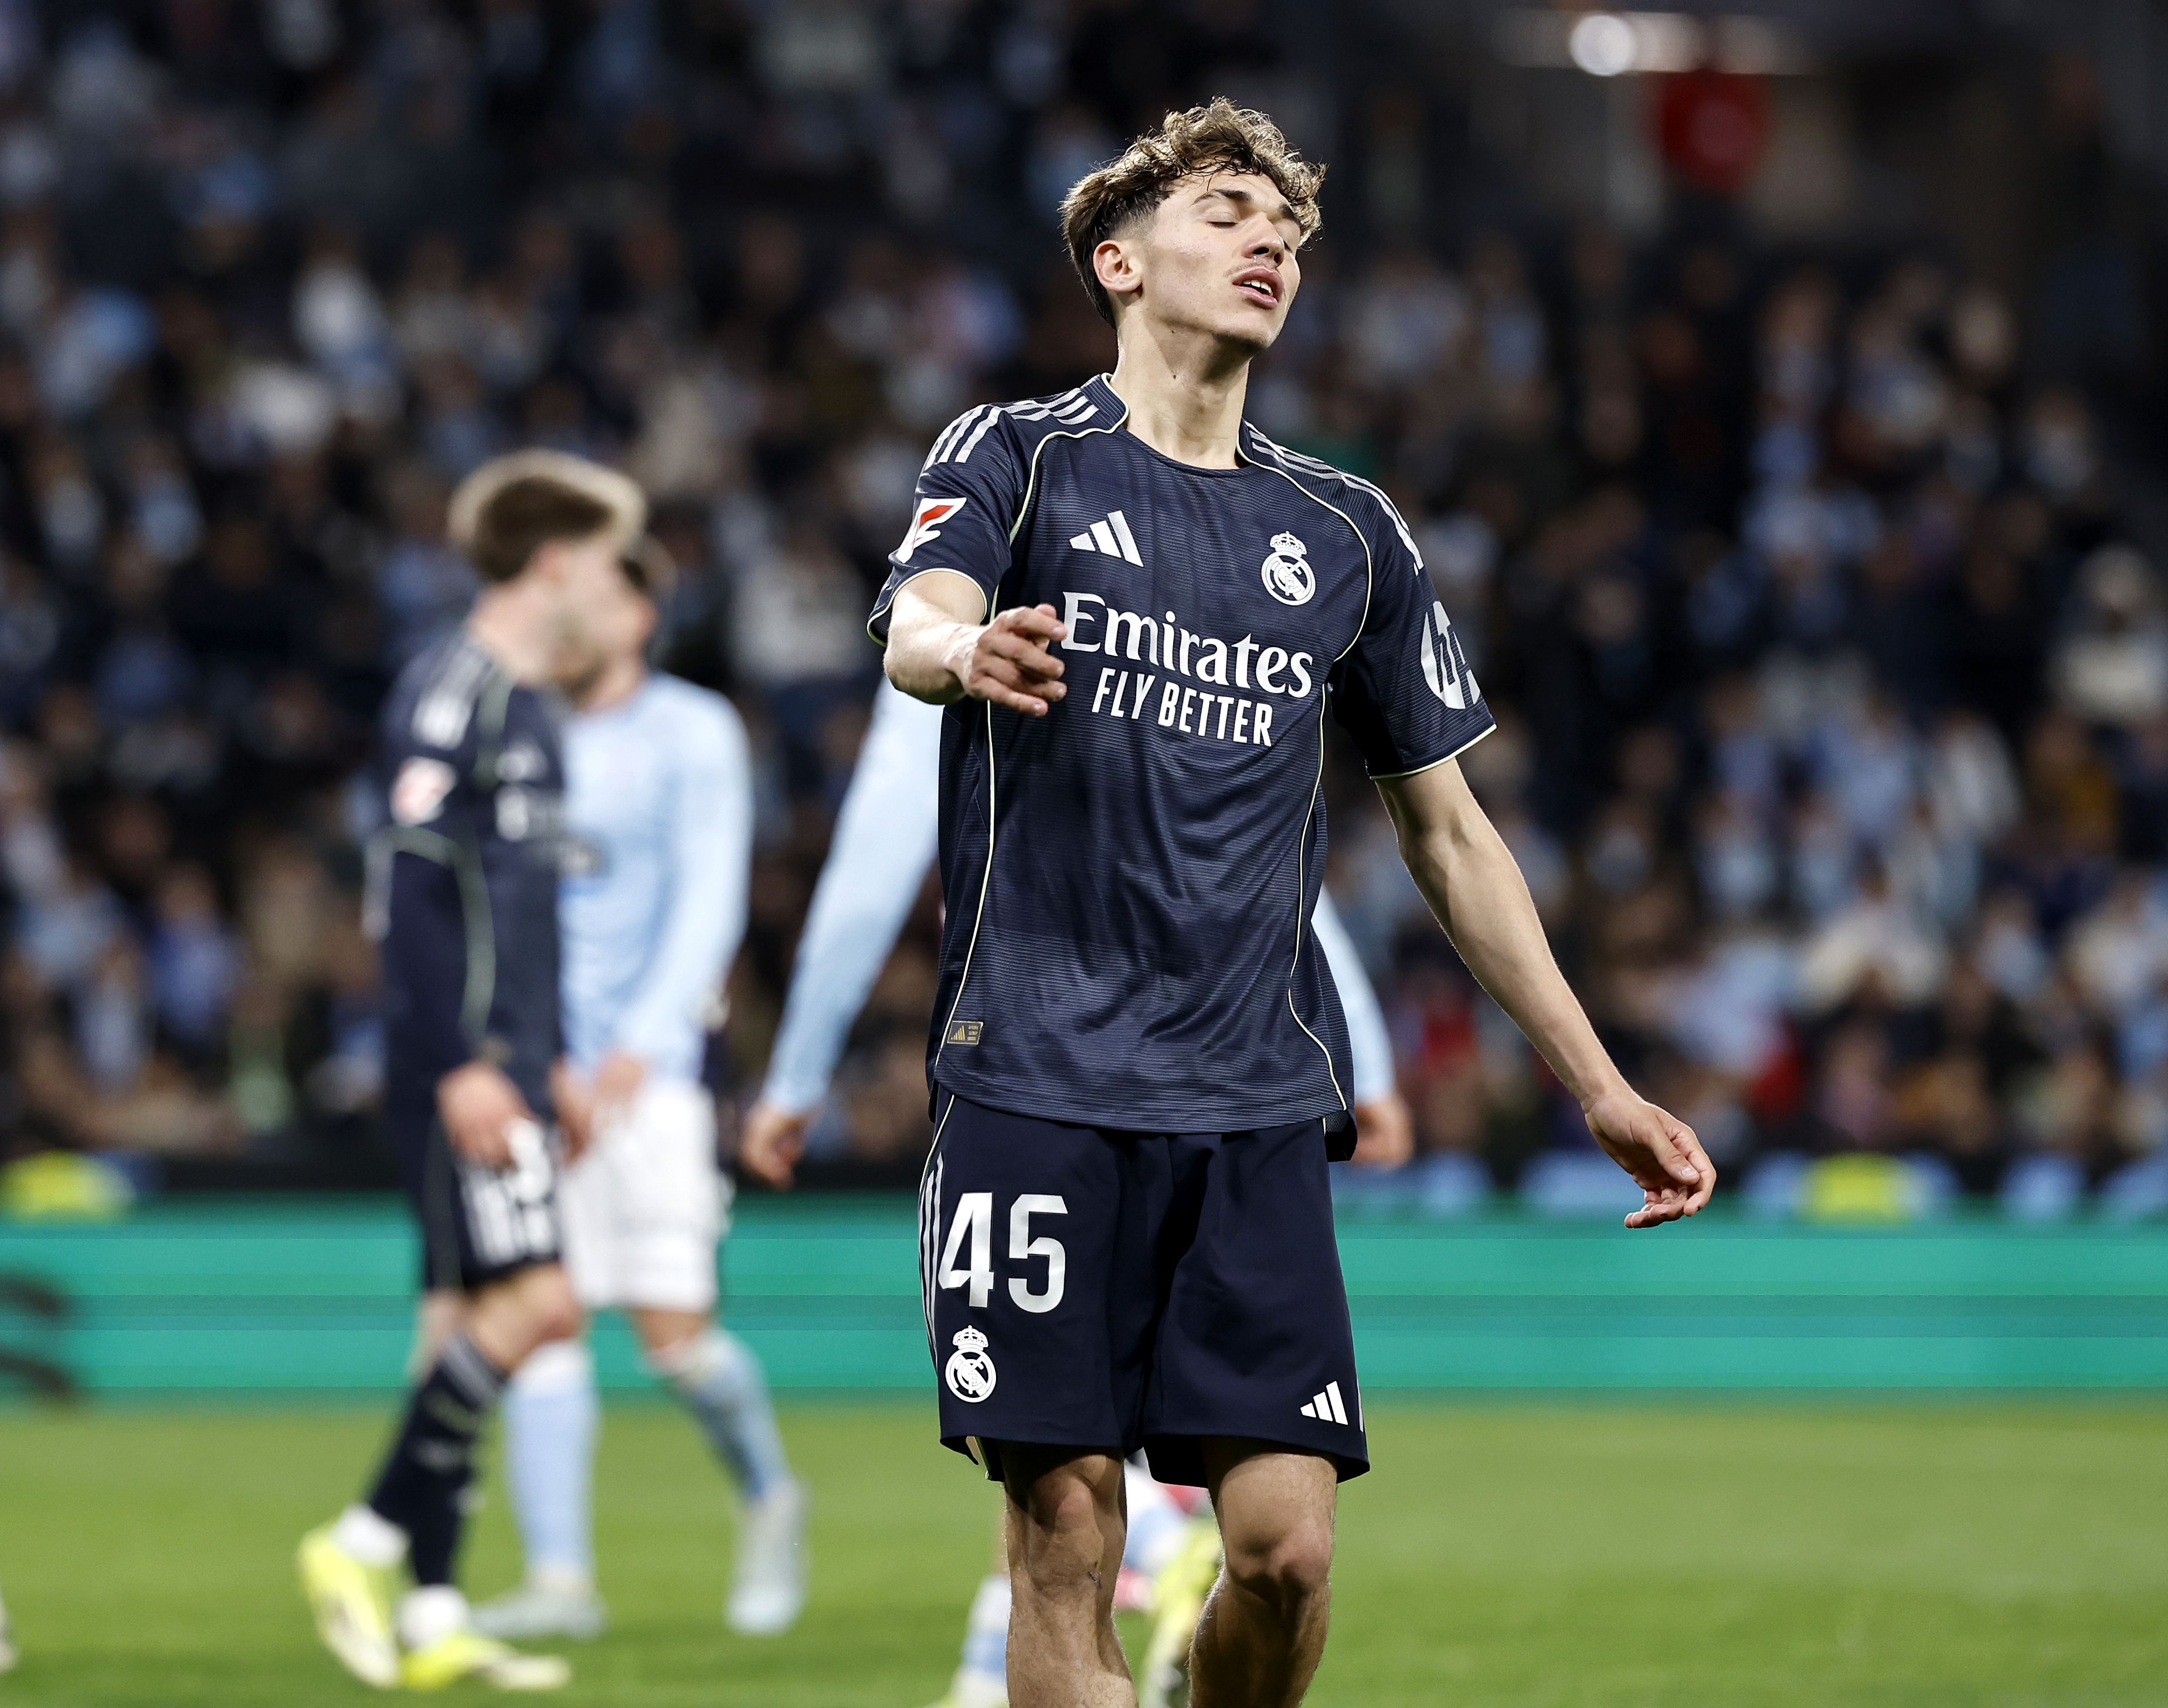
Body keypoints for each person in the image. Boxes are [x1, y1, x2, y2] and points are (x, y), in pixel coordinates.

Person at [859, 99, 1713, 1708]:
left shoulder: (1345, 529)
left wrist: (1597, 1082)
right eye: (1234, 214)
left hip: (1250, 1103)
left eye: (1292, 234)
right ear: (1120, 260)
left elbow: (1451, 838)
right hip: (1033, 1082)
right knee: (1065, 1530)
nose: (1274, 246)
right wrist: (962, 653)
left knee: (1285, 1557)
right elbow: (922, 611)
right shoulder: (1017, 451)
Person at [735, 674, 1416, 1708]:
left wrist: (794, 1073)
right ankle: (1157, 1541)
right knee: (1058, 1510)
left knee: (1256, 1541)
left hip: (1211, 1096)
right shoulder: (989, 570)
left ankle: (1163, 1539)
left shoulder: (1207, 600)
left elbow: (1264, 854)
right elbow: (881, 844)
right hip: (1039, 1094)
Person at [297, 451, 652, 1690]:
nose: (613, 582)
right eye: (605, 558)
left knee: (458, 1321)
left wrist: (545, 1056)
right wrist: (463, 1065)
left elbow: (513, 914)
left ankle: (433, 1606)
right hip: (462, 1067)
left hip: (509, 1061)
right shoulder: (455, 692)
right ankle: (361, 1539)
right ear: (553, 560)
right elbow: (409, 897)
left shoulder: (526, 704)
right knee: (540, 1304)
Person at [468, 502, 806, 1644]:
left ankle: (769, 1495)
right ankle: (561, 1579)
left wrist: (629, 1054)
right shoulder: (514, 724)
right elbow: (496, 909)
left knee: (676, 1336)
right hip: (539, 1075)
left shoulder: (693, 729)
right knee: (544, 1319)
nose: (570, 605)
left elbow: (710, 899)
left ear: (643, 613)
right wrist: (535, 1056)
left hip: (647, 1078)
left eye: (598, 589)